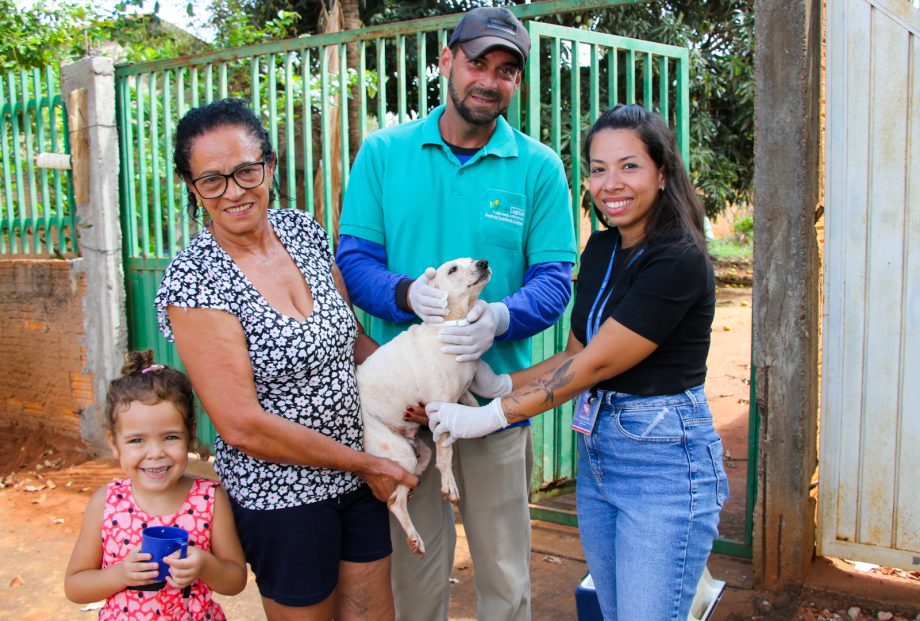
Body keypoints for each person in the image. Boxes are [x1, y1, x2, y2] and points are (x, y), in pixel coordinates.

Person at [426, 104, 730, 620]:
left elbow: (593, 368)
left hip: (664, 462)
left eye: (629, 166)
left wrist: (486, 418)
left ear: (662, 171)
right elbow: (573, 354)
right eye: (597, 168)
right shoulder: (604, 249)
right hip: (601, 453)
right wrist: (497, 382)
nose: (611, 182)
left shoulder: (678, 258)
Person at [336, 7, 577, 620]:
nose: (489, 80)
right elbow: (354, 257)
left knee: (503, 571)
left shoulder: (539, 168)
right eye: (477, 62)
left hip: (491, 407)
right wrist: (400, 294)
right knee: (417, 575)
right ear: (446, 62)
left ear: (516, 82)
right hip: (408, 414)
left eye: (506, 70)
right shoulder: (385, 154)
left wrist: (499, 319)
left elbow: (554, 279)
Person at [154, 98, 418, 620]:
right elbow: (242, 426)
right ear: (191, 186)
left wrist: (417, 389)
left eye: (246, 171)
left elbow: (353, 341)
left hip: (359, 474)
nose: (234, 191)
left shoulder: (302, 231)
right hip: (283, 496)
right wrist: (368, 463)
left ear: (269, 165)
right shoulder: (194, 279)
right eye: (212, 180)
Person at [64, 350, 247, 619]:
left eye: (170, 437)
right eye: (136, 440)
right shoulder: (106, 502)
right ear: (114, 444)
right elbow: (75, 586)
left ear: (189, 436)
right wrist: (120, 574)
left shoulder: (209, 499)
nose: (155, 453)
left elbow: (235, 580)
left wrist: (206, 565)